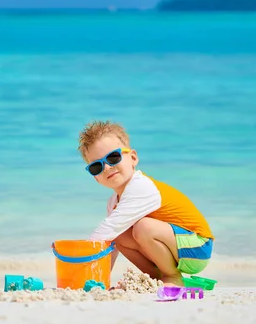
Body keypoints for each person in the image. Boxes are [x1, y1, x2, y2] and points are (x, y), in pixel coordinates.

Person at [78, 120, 214, 286]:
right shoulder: (113, 202)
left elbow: (104, 231)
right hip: (177, 247)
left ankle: (172, 277)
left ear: (133, 158)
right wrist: (98, 280)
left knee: (143, 227)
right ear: (96, 178)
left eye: (113, 157)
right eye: (96, 167)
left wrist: (79, 260)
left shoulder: (141, 186)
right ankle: (156, 277)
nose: (106, 167)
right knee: (118, 236)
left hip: (198, 247)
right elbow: (107, 241)